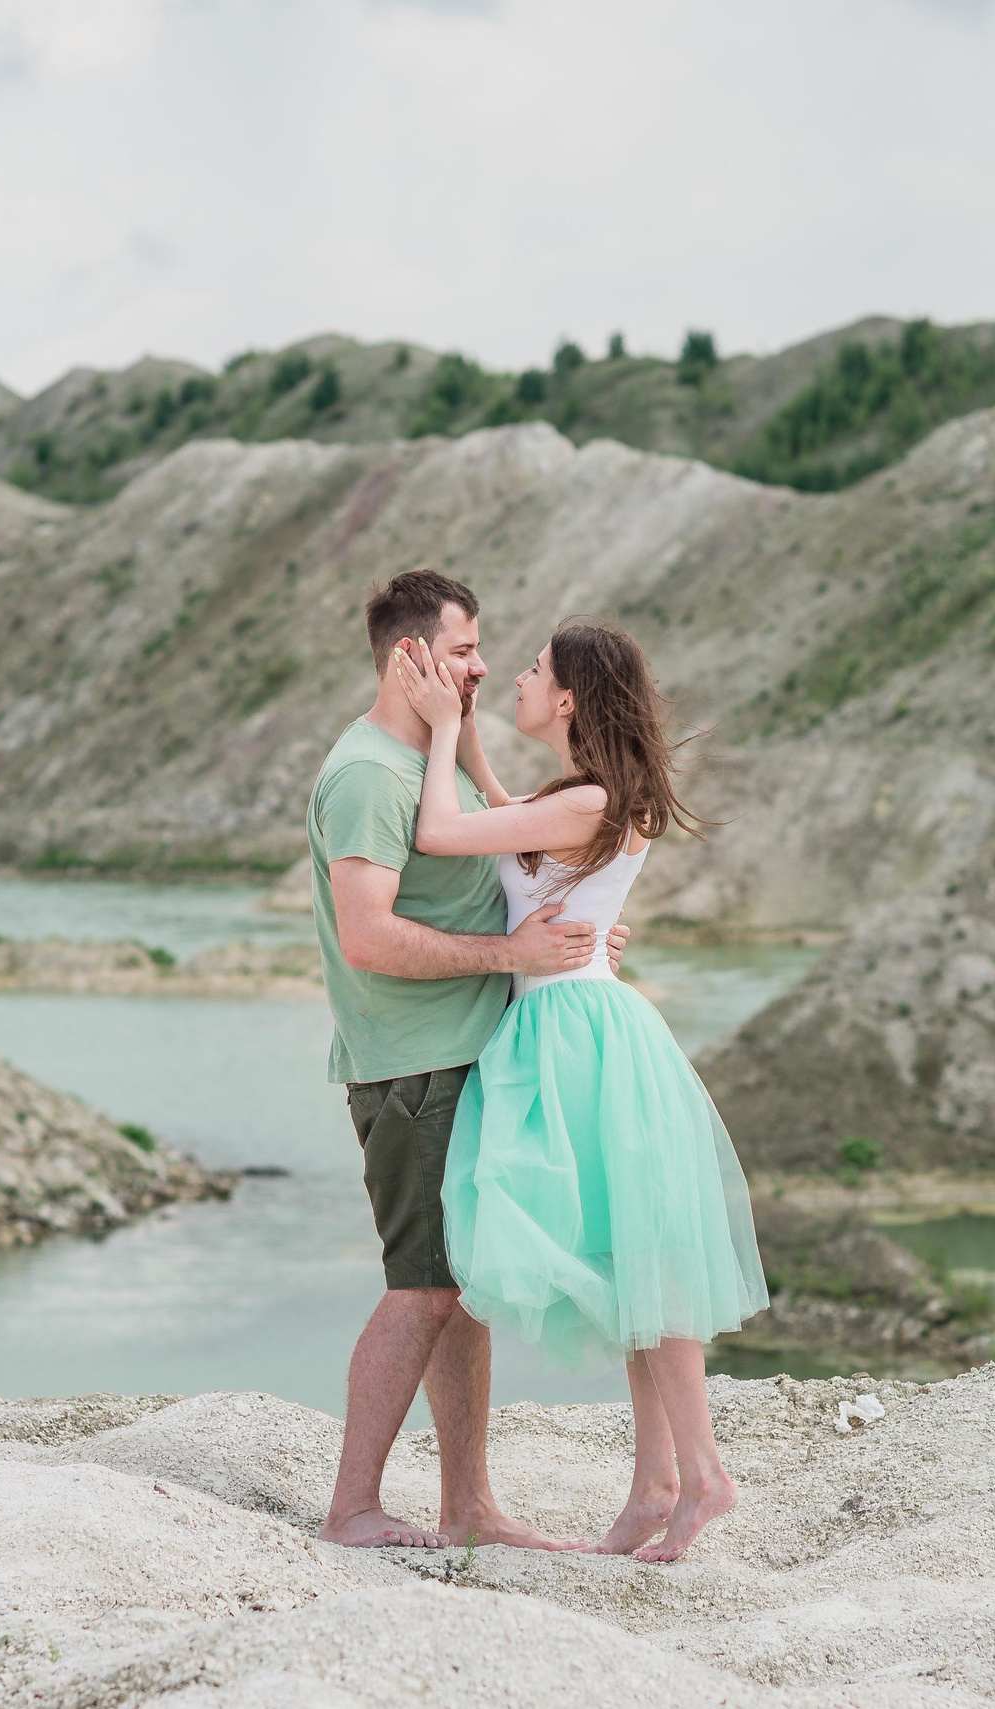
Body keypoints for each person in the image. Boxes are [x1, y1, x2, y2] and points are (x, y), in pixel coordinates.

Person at [392, 616, 767, 1563]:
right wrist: (472, 737)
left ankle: (703, 1473)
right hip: (588, 1026)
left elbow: (442, 833)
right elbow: (518, 833)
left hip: (574, 1035)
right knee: (629, 1256)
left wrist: (439, 727)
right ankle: (657, 1486)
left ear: (566, 698)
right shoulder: (587, 799)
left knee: (640, 1259)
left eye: (530, 668)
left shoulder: (585, 801)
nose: (513, 675)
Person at [307, 568, 627, 1552]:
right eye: (461, 649)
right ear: (410, 657)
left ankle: (467, 1505)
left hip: (461, 1052)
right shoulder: (371, 775)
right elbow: (367, 937)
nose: (481, 665)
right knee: (421, 1282)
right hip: (411, 1066)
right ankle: (353, 1505)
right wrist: (513, 955)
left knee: (460, 1282)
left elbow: (502, 864)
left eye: (483, 648)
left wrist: (573, 938)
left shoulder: (422, 765)